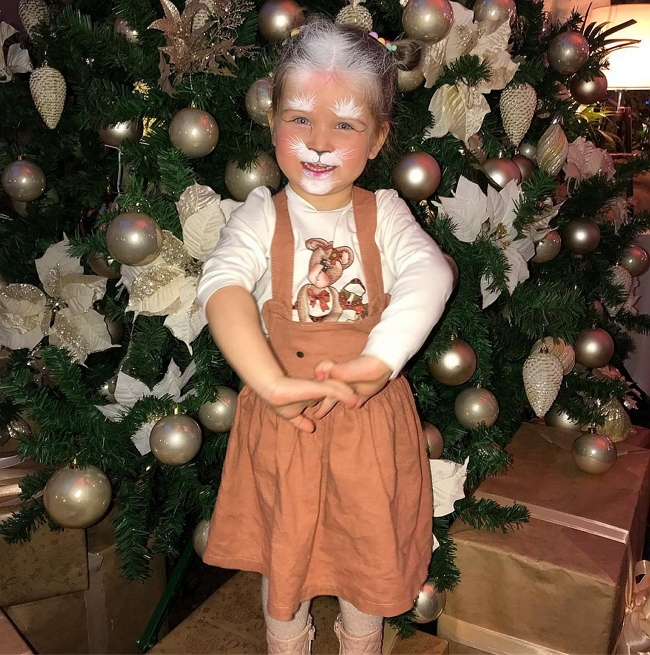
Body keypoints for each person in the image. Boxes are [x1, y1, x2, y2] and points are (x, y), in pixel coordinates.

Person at [197, 19, 454, 655]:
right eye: (299, 119)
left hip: (369, 424)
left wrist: (378, 361)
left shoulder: (385, 213)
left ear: (378, 138)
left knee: (366, 550)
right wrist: (268, 382)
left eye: (344, 124)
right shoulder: (261, 215)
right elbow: (222, 285)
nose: (317, 142)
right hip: (284, 425)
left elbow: (430, 272)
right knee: (284, 553)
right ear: (273, 123)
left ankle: (361, 643)